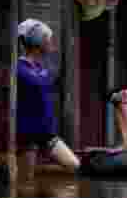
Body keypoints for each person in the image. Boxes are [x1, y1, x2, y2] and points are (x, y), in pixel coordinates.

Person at [15, 19, 80, 172]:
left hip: (48, 134)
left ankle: (45, 182)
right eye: (47, 38)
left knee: (74, 166)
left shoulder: (42, 68)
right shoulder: (19, 69)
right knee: (26, 181)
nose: (51, 42)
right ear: (37, 41)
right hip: (27, 136)